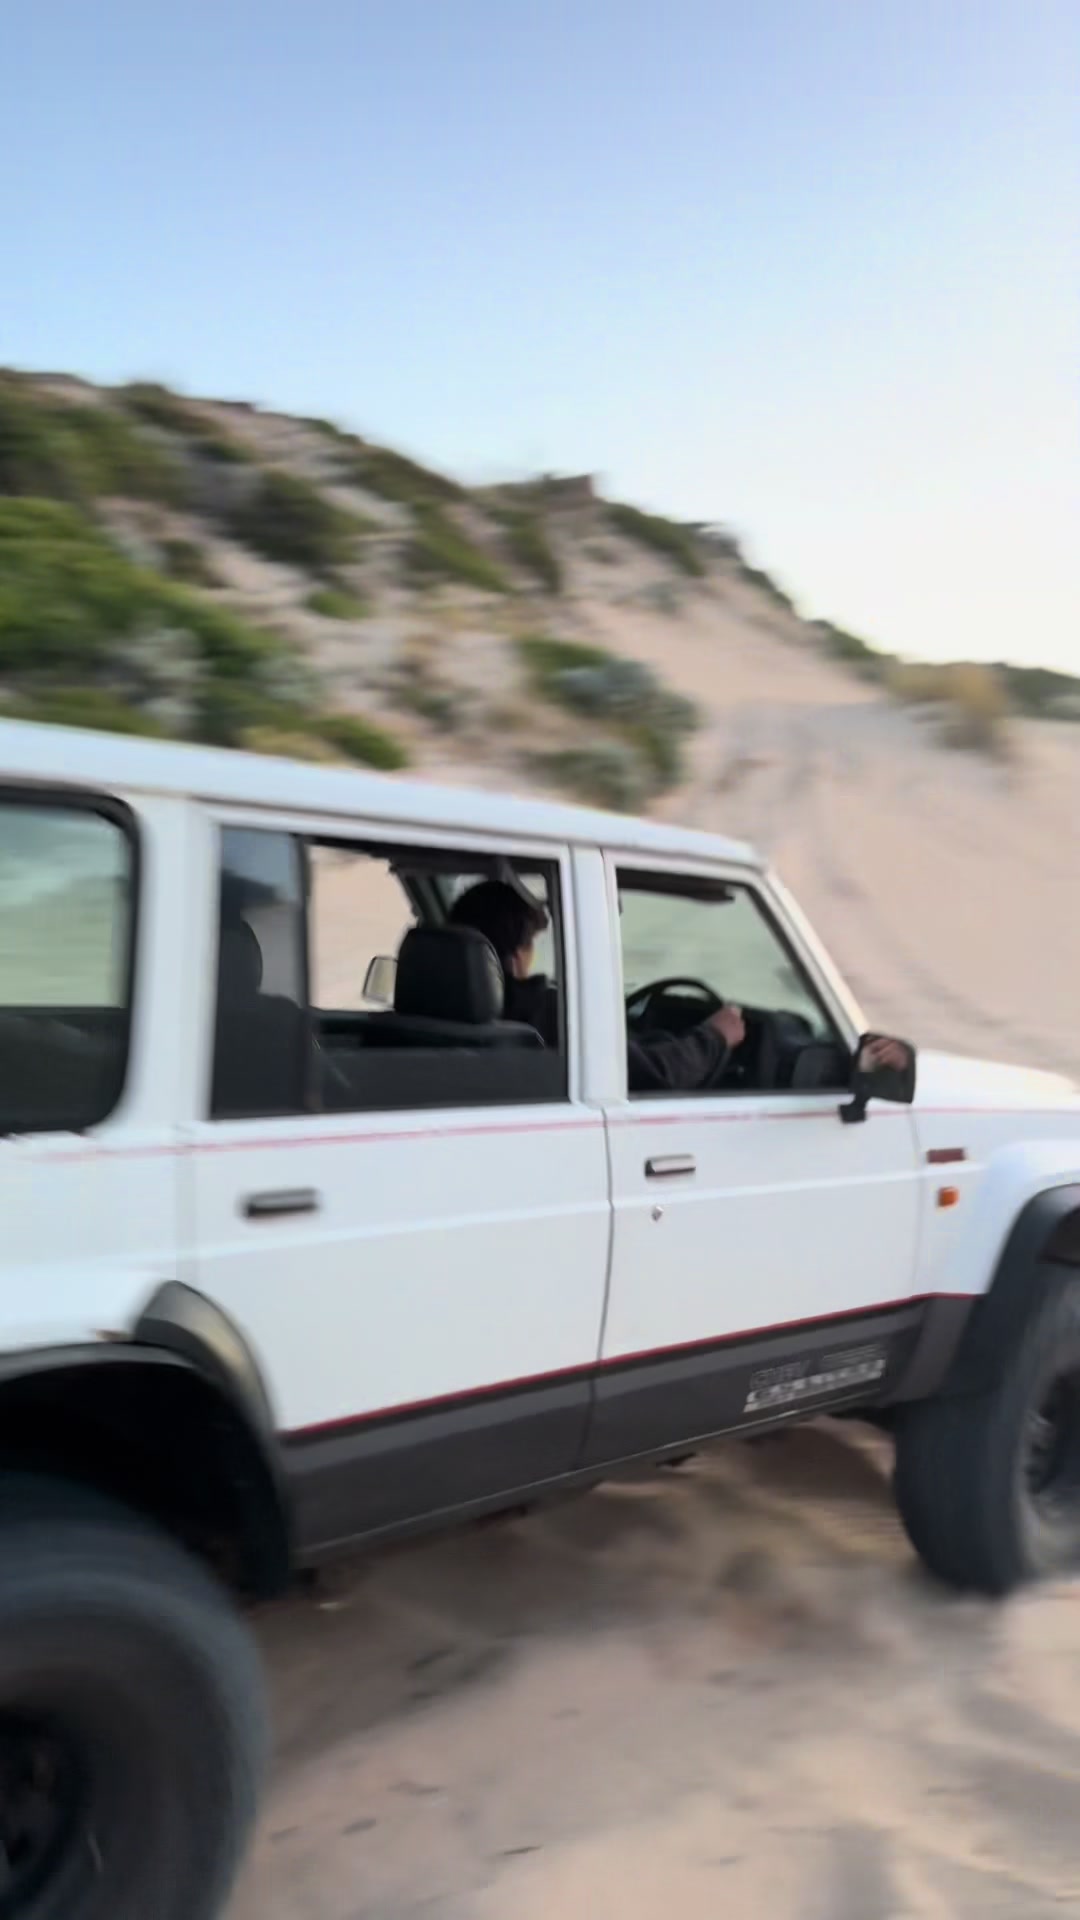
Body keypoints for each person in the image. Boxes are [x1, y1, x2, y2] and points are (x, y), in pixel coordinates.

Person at [448, 879, 746, 1094]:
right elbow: (655, 1074)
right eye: (532, 944)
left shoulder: (435, 1014)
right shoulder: (545, 1013)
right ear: (516, 957)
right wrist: (716, 1036)